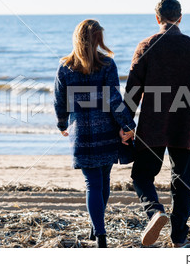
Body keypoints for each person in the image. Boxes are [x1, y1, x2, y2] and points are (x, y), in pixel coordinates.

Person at [122, 0, 190, 247]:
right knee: (182, 181)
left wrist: (125, 123)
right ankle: (179, 237)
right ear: (181, 18)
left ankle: (154, 212)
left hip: (153, 124)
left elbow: (133, 90)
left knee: (141, 176)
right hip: (184, 124)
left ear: (157, 19)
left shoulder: (146, 45)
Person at [54, 19, 136, 248]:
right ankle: (98, 229)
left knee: (93, 183)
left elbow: (59, 101)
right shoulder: (107, 64)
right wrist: (128, 125)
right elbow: (114, 99)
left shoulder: (65, 67)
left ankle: (98, 232)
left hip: (81, 131)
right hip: (106, 129)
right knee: (103, 180)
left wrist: (62, 123)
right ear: (98, 38)